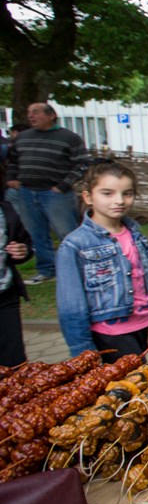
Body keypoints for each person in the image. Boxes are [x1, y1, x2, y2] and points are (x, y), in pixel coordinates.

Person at [56, 163, 148, 360]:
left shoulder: (134, 233)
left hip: (139, 324)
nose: (119, 200)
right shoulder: (76, 244)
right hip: (109, 333)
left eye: (127, 194)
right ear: (88, 197)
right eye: (108, 193)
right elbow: (71, 305)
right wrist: (83, 351)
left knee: (140, 374)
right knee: (131, 378)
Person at [6, 103, 86, 284]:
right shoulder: (23, 137)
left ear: (51, 115)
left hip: (56, 194)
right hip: (27, 192)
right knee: (37, 233)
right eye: (29, 112)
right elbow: (12, 160)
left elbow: (81, 164)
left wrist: (63, 186)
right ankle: (46, 270)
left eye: (36, 112)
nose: (31, 116)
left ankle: (79, 269)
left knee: (67, 233)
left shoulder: (69, 138)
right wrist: (12, 178)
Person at [0, 199, 34, 367]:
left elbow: (23, 241)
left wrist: (22, 250)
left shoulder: (4, 208)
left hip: (5, 296)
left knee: (15, 365)